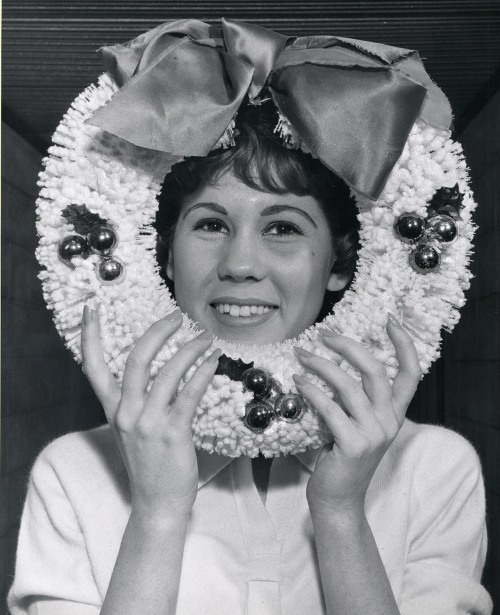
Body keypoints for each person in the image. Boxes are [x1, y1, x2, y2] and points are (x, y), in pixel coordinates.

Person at [8, 19, 492, 615]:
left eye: (283, 228)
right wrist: (158, 516)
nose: (240, 264)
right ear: (165, 256)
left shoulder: (435, 469)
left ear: (340, 265)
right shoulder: (74, 473)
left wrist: (341, 516)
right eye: (211, 224)